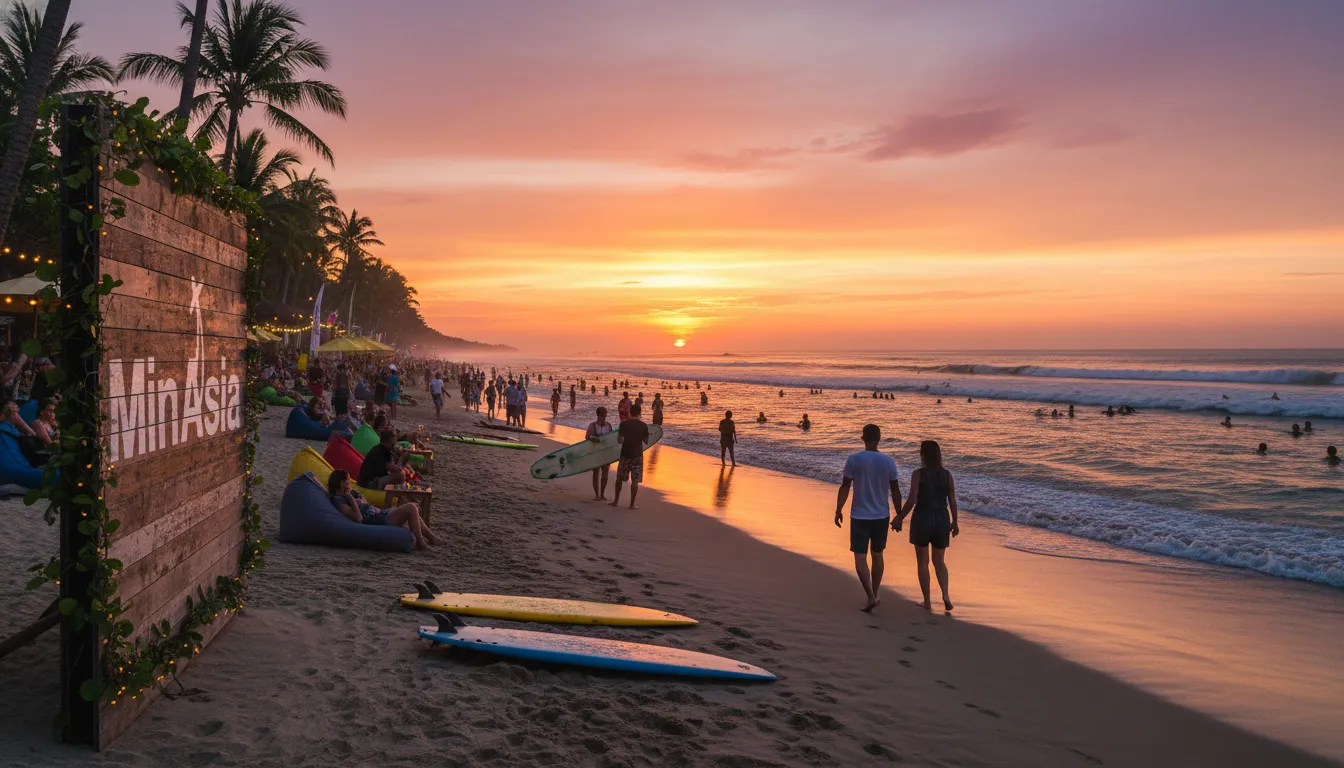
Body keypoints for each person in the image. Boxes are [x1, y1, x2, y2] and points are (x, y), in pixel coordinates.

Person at [834, 424, 901, 612]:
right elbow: (895, 491)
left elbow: (845, 486)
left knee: (860, 558)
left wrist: (838, 509)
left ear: (863, 438)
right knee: (878, 554)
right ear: (879, 438)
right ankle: (875, 594)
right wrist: (899, 515)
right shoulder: (888, 461)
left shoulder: (854, 460)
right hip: (881, 515)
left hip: (860, 515)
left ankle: (870, 596)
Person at [894, 440, 959, 611]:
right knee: (939, 561)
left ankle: (927, 601)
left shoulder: (918, 474)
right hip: (942, 518)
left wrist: (899, 517)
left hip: (922, 517)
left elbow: (912, 500)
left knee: (923, 562)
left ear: (923, 455)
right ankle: (945, 595)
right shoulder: (947, 475)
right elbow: (952, 500)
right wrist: (955, 521)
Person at [327, 469, 436, 550]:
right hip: (378, 519)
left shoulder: (350, 493)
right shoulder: (340, 501)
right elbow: (358, 518)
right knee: (411, 507)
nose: (350, 483)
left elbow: (364, 504)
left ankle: (431, 537)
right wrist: (351, 499)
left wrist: (356, 498)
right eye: (348, 480)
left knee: (415, 506)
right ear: (341, 483)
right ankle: (421, 543)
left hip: (380, 513)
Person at [610, 403, 650, 510]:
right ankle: (632, 504)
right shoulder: (643, 426)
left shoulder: (624, 424)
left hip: (625, 454)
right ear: (640, 413)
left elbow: (619, 439)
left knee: (619, 479)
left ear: (630, 412)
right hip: (637, 456)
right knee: (635, 481)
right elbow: (646, 441)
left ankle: (616, 501)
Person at [586, 406, 614, 500]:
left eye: (605, 415)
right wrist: (594, 439)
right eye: (602, 415)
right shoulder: (593, 425)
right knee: (596, 473)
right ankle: (597, 494)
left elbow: (612, 438)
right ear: (598, 415)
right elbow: (587, 436)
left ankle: (602, 494)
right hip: (595, 452)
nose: (604, 417)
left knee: (605, 475)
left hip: (606, 453)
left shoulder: (608, 425)